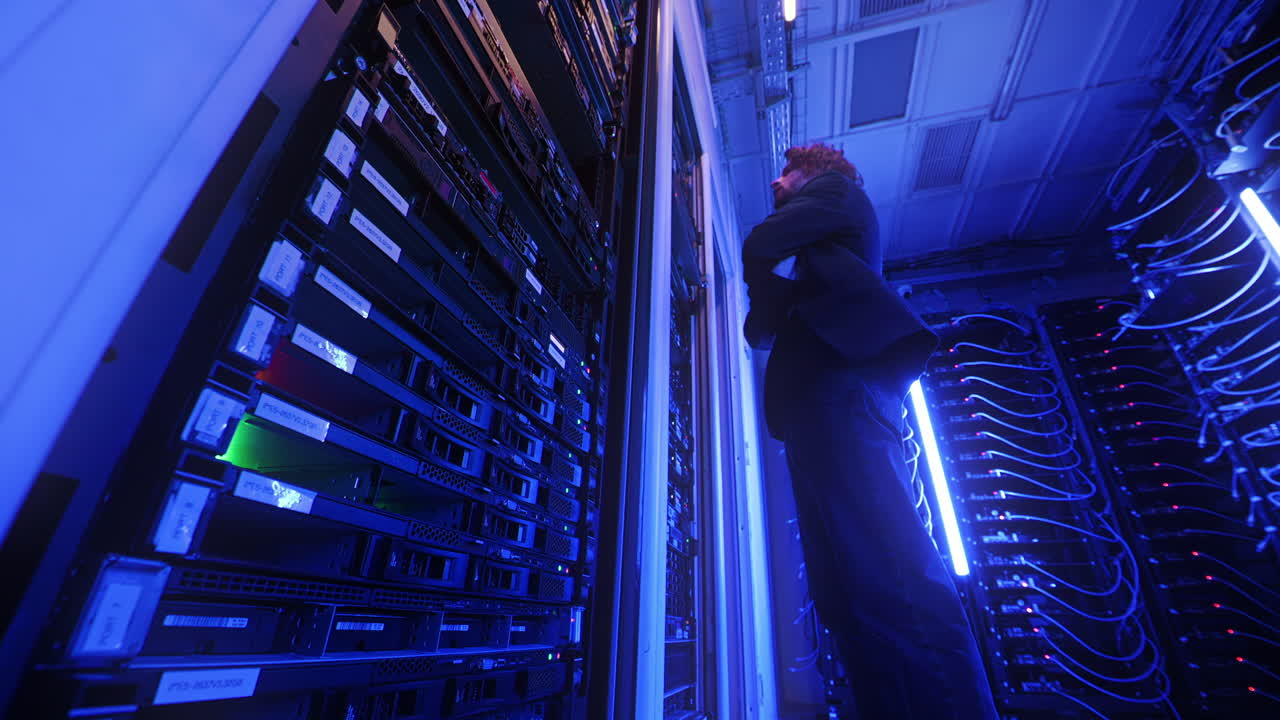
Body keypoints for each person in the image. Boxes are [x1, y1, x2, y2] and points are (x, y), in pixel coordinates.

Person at [741, 143, 1000, 720]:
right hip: (821, 407)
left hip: (842, 395)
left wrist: (770, 281)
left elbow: (760, 245)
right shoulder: (818, 263)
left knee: (891, 575)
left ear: (819, 174)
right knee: (846, 592)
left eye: (789, 172)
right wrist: (774, 290)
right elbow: (759, 330)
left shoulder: (837, 191)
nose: (779, 183)